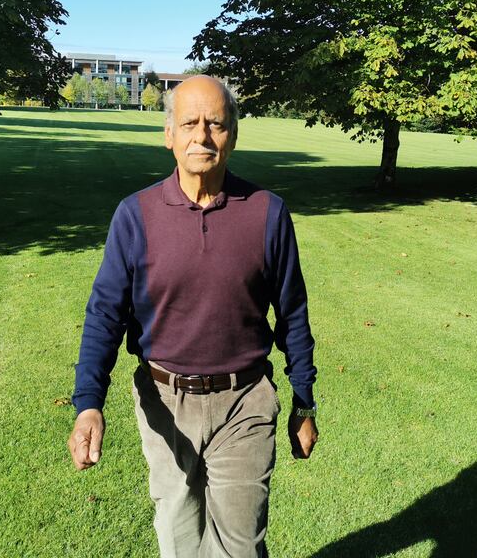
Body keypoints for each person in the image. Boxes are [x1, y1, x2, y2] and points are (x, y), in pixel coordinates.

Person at [67, 75, 319, 557]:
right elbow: (104, 315)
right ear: (169, 135)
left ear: (234, 134)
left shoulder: (267, 213)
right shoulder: (135, 215)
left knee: (239, 549)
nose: (202, 137)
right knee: (179, 540)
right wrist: (89, 402)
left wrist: (303, 401)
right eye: (189, 123)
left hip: (244, 400)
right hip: (164, 400)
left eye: (216, 124)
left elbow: (292, 315)